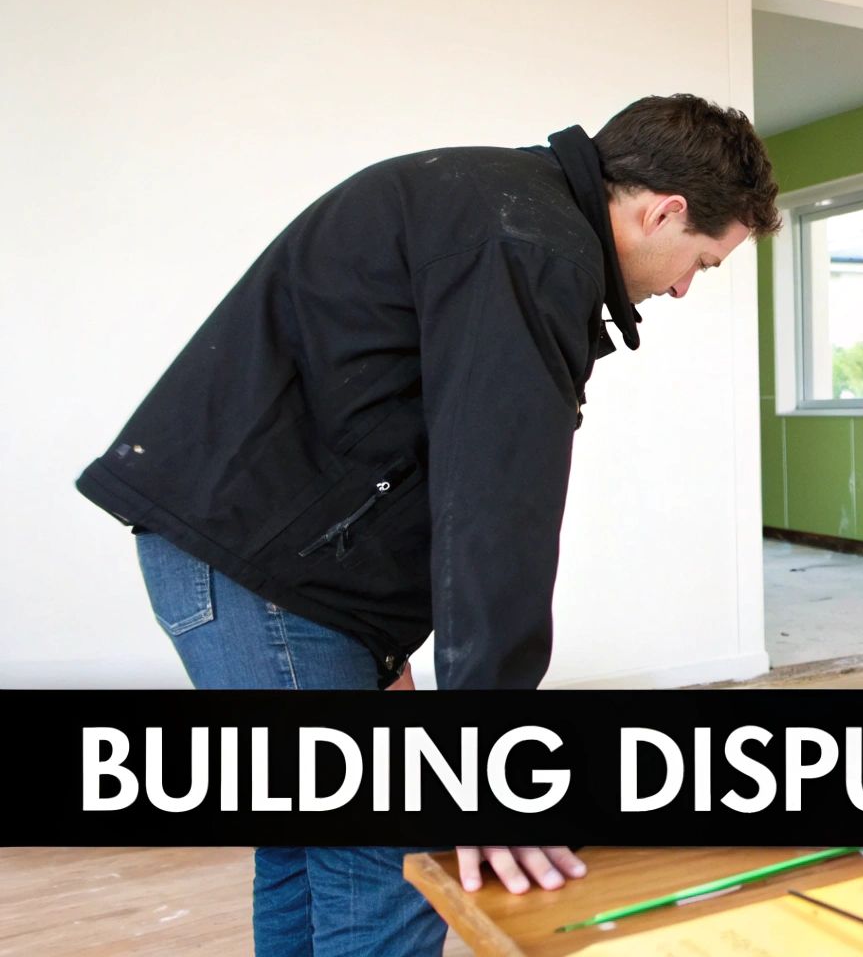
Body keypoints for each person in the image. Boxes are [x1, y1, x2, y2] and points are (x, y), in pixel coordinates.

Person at [75, 94, 780, 956]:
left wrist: (380, 653)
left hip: (249, 566)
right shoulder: (532, 243)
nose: (681, 287)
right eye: (701, 263)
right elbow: (496, 503)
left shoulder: (496, 202)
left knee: (306, 843)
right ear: (662, 211)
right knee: (395, 852)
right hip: (264, 578)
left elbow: (400, 449)